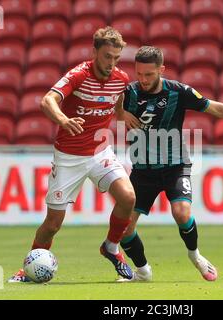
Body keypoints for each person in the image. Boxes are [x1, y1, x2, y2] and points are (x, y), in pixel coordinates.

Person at [115, 46, 223, 281]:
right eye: (139, 74)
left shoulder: (178, 91)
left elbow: (216, 108)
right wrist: (120, 114)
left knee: (181, 212)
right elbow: (106, 107)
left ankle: (195, 256)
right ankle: (142, 272)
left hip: (175, 165)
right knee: (123, 229)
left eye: (149, 74)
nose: (143, 79)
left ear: (161, 70)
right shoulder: (128, 93)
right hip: (143, 169)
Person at [9, 27, 136, 282]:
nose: (111, 63)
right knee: (53, 223)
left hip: (100, 152)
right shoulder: (78, 75)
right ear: (94, 52)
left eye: (115, 58)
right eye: (107, 56)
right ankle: (29, 268)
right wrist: (64, 120)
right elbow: (47, 101)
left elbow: (117, 103)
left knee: (128, 197)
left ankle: (111, 247)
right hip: (68, 157)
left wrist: (125, 116)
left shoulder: (121, 79)